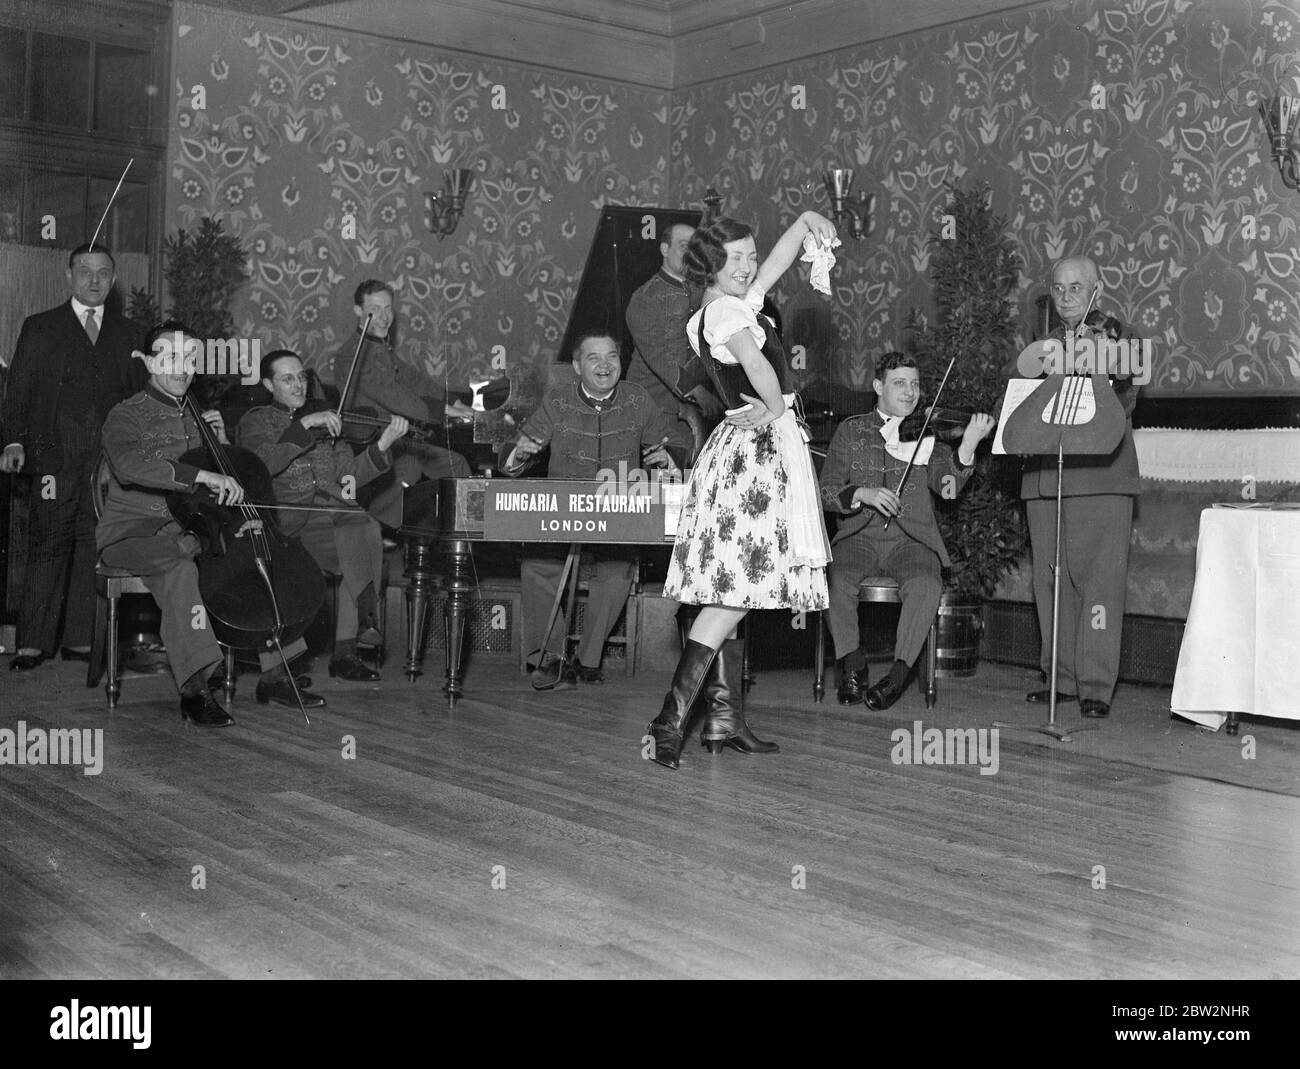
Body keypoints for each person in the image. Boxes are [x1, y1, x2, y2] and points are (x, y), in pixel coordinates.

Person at [648, 212, 836, 770]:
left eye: (750, 256)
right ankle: (670, 719)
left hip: (752, 453)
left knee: (739, 593)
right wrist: (778, 409)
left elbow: (773, 271)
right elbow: (755, 364)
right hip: (755, 460)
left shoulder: (727, 305)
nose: (749, 267)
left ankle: (718, 719)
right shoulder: (726, 312)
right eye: (737, 259)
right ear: (710, 265)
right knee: (732, 595)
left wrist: (804, 223)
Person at [97, 323, 325, 727]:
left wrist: (221, 450)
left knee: (248, 554)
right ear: (149, 362)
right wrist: (201, 475)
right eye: (170, 358)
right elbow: (128, 465)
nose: (182, 368)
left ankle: (276, 672)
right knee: (182, 564)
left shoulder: (195, 416)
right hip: (133, 533)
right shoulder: (126, 414)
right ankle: (196, 688)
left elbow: (221, 481)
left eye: (189, 359)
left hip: (192, 530)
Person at [501, 330, 682, 689]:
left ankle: (587, 659)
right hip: (560, 512)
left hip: (617, 511)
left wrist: (667, 460)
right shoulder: (557, 401)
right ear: (576, 367)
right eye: (593, 358)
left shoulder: (638, 399)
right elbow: (517, 451)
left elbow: (669, 444)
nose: (604, 365)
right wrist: (520, 453)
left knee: (618, 569)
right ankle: (549, 659)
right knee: (537, 565)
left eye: (611, 356)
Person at [820, 352, 995, 710]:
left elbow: (949, 488)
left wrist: (968, 445)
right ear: (878, 386)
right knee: (836, 581)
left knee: (927, 584)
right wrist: (862, 493)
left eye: (915, 384)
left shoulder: (926, 434)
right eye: (899, 383)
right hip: (859, 537)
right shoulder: (852, 430)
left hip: (911, 540)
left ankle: (898, 675)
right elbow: (826, 491)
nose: (910, 392)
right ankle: (852, 664)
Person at [1, 243, 144, 670]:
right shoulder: (41, 327)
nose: (94, 280)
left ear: (113, 279)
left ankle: (81, 640)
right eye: (85, 271)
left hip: (107, 463)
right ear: (69, 275)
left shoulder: (131, 333)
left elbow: (138, 400)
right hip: (53, 458)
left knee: (91, 545)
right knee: (47, 544)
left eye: (103, 273)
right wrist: (12, 441)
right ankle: (32, 643)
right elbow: (18, 391)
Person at [237, 350, 409, 683]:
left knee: (361, 527)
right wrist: (302, 426)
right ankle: (287, 667)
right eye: (288, 378)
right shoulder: (255, 421)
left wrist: (382, 446)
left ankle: (350, 648)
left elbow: (348, 481)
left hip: (327, 517)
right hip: (283, 521)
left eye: (301, 376)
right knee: (358, 543)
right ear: (268, 383)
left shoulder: (327, 420)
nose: (298, 384)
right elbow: (260, 465)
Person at [1019, 255, 1140, 719]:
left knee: (1099, 585)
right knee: (1050, 582)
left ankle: (1094, 685)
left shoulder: (1117, 337)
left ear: (1097, 289)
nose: (1066, 296)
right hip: (1047, 479)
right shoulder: (1042, 346)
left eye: (1077, 287)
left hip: (1102, 476)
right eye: (1059, 288)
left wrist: (1100, 360)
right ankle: (1061, 678)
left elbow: (1125, 399)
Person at [328, 279, 472, 529]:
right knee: (411, 467)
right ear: (358, 311)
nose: (384, 317)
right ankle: (376, 528)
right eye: (376, 309)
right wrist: (445, 411)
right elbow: (394, 395)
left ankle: (467, 531)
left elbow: (413, 380)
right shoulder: (352, 354)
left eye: (389, 309)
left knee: (456, 463)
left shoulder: (380, 347)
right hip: (369, 443)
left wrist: (455, 401)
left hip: (396, 437)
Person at [624, 222, 721, 454]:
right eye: (683, 246)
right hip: (655, 409)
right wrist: (699, 392)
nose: (690, 255)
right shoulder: (645, 298)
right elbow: (661, 358)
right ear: (665, 249)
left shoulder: (702, 291)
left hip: (694, 410)